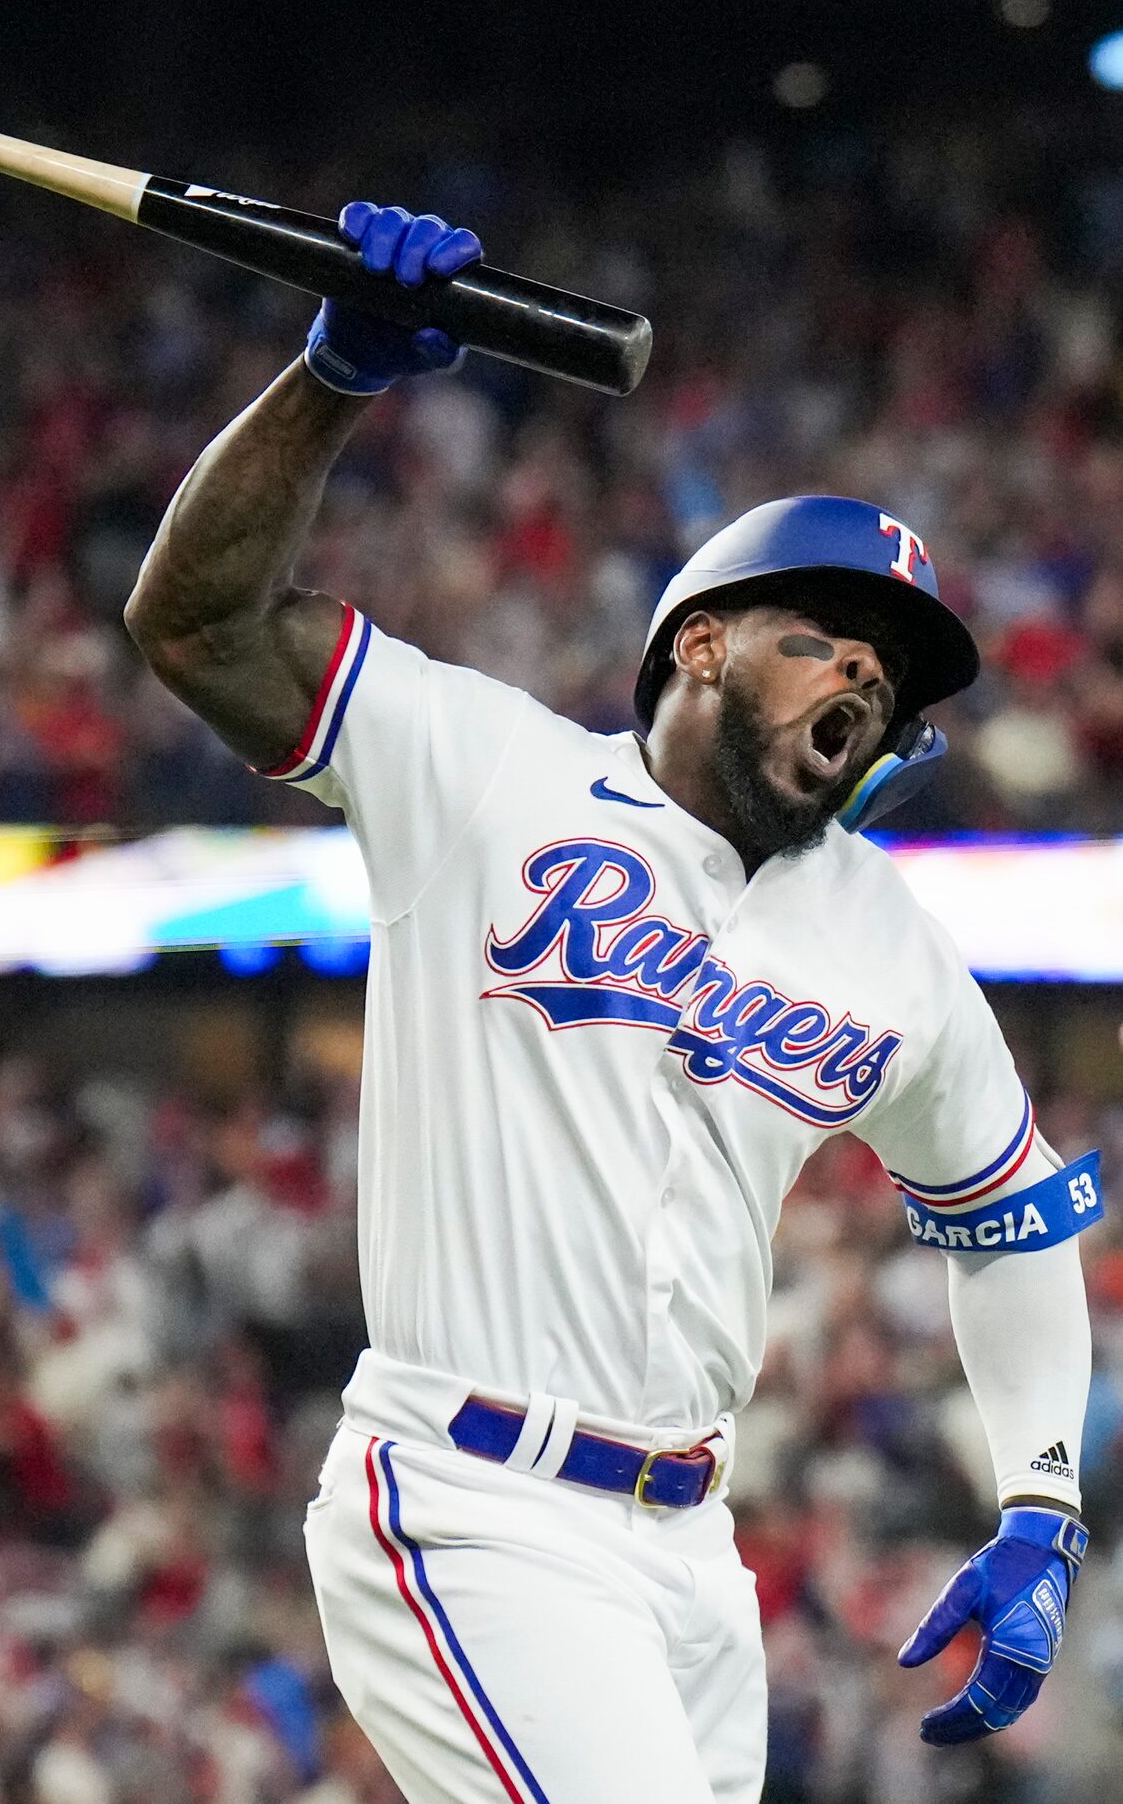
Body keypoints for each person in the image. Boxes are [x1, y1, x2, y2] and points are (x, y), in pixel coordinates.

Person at [124, 202, 1100, 1803]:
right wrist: (333, 377)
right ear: (699, 645)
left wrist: (1041, 1506)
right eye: (824, 642)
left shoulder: (891, 944)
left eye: (888, 676)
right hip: (472, 1493)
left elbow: (1009, 1220)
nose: (861, 680)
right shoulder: (484, 767)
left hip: (690, 1560)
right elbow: (197, 623)